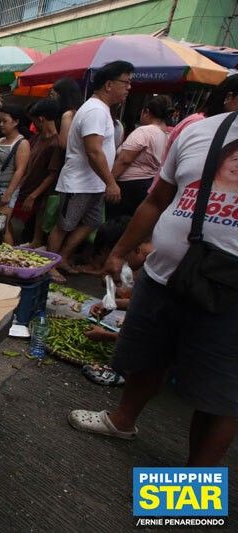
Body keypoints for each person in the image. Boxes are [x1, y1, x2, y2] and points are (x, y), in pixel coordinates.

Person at [68, 111, 238, 467]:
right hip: (163, 275)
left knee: (219, 395)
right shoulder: (201, 131)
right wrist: (117, 253)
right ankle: (122, 420)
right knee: (146, 357)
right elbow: (157, 200)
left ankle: (195, 489)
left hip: (229, 292)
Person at [46, 61, 133, 283]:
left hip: (93, 183)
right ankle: (48, 265)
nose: (128, 88)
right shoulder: (95, 110)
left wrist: (105, 182)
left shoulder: (102, 110)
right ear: (109, 85)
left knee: (92, 222)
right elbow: (93, 151)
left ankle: (63, 258)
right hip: (79, 182)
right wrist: (111, 182)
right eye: (126, 82)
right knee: (64, 225)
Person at [80, 216, 153, 387]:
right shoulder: (150, 258)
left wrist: (107, 336)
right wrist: (111, 303)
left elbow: (154, 332)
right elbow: (141, 302)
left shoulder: (157, 268)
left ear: (132, 248)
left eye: (120, 262)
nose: (118, 269)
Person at [107, 95, 172, 218]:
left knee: (115, 223)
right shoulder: (167, 135)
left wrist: (109, 182)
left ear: (146, 112)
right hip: (148, 185)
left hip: (128, 186)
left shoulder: (144, 131)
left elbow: (125, 160)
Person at [13, 99, 63, 248]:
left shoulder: (55, 143)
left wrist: (33, 196)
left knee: (19, 229)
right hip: (25, 190)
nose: (33, 125)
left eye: (34, 121)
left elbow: (52, 175)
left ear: (41, 118)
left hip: (37, 196)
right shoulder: (37, 138)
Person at [0, 104, 31, 244]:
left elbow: (20, 170)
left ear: (16, 122)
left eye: (5, 121)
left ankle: (8, 258)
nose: (1, 124)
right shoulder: (0, 141)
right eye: (0, 121)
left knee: (3, 227)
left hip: (5, 189)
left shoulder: (22, 143)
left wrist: (9, 193)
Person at [50, 77, 83, 149]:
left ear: (63, 95)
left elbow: (63, 143)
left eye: (53, 95)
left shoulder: (68, 115)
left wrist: (52, 130)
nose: (51, 99)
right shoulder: (78, 111)